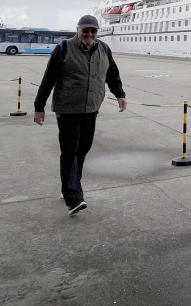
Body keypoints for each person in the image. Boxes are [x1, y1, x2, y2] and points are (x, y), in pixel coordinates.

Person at [34, 15, 127, 216]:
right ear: (78, 30)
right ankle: (74, 198)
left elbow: (112, 75)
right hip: (67, 109)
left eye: (93, 31)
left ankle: (68, 187)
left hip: (91, 109)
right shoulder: (64, 48)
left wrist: (120, 94)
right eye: (85, 30)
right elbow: (48, 79)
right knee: (70, 151)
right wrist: (39, 107)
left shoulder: (104, 49)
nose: (89, 34)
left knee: (83, 149)